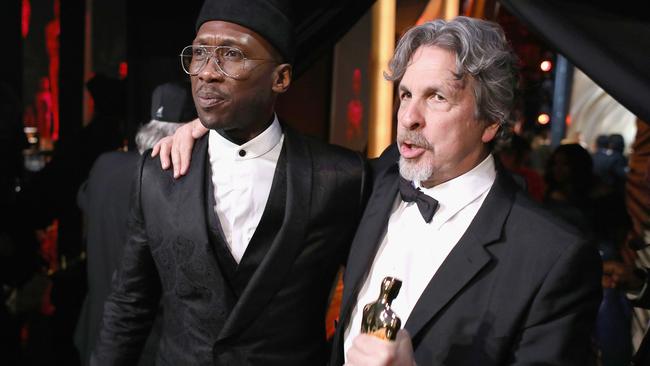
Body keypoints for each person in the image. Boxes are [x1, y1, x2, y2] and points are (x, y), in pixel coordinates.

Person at [156, 16, 602, 366]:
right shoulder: (374, 181)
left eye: (437, 98)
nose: (408, 117)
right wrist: (210, 125)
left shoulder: (552, 256)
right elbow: (293, 163)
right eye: (406, 95)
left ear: (491, 121)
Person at [92, 1, 367, 365]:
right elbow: (129, 305)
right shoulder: (157, 173)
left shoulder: (343, 177)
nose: (208, 72)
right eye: (200, 54)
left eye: (232, 55)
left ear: (281, 78)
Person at [74, 81, 196, 366]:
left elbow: (84, 199)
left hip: (95, 337)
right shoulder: (176, 185)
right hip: (149, 348)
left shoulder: (105, 166)